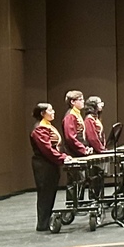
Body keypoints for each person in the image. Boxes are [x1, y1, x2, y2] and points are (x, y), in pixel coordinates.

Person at [30, 102, 70, 232]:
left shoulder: (47, 126)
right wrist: (62, 158)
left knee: (49, 193)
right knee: (45, 195)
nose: (53, 112)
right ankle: (42, 224)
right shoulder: (39, 129)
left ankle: (45, 222)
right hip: (43, 166)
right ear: (43, 114)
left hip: (50, 164)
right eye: (50, 110)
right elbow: (47, 149)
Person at [61, 90, 93, 158]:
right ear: (72, 102)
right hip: (73, 154)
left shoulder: (77, 114)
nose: (83, 101)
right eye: (80, 99)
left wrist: (86, 147)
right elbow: (70, 137)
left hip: (78, 152)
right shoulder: (70, 116)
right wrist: (82, 149)